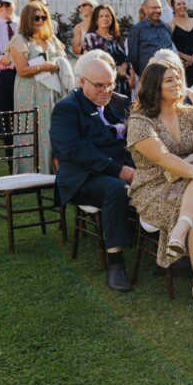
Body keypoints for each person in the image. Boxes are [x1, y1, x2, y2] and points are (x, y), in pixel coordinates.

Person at [127, 60, 193, 311]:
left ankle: (180, 230)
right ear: (153, 86)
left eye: (178, 78)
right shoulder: (139, 122)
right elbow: (163, 158)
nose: (177, 83)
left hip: (191, 178)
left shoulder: (191, 113)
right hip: (154, 187)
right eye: (169, 80)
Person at [51, 56, 138, 291]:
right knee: (116, 189)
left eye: (109, 84)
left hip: (122, 168)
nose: (106, 90)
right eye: (99, 85)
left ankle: (162, 246)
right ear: (82, 82)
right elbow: (75, 151)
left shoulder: (120, 102)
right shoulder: (66, 109)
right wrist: (118, 170)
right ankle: (115, 264)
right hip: (82, 178)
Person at [8, 1, 72, 174]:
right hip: (31, 91)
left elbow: (63, 60)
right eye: (36, 17)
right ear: (28, 18)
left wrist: (59, 65)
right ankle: (32, 169)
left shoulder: (50, 39)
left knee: (54, 127)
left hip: (52, 90)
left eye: (44, 17)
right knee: (34, 127)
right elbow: (21, 70)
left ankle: (55, 167)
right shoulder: (20, 40)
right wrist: (44, 67)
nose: (40, 21)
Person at [82, 3, 131, 96]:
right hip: (103, 86)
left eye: (107, 16)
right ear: (96, 20)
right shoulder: (90, 38)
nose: (105, 18)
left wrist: (124, 67)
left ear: (112, 19)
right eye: (101, 16)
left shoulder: (117, 38)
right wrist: (115, 69)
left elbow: (126, 58)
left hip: (122, 84)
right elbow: (90, 62)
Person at [127, 0, 176, 77]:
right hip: (149, 77)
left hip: (168, 74)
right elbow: (133, 57)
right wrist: (143, 74)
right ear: (144, 9)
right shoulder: (137, 29)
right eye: (153, 8)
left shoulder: (166, 27)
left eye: (159, 8)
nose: (157, 10)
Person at [167, 0, 193, 86]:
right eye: (179, 4)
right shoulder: (170, 25)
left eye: (184, 3)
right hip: (180, 65)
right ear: (173, 7)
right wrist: (184, 57)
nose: (182, 6)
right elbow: (168, 46)